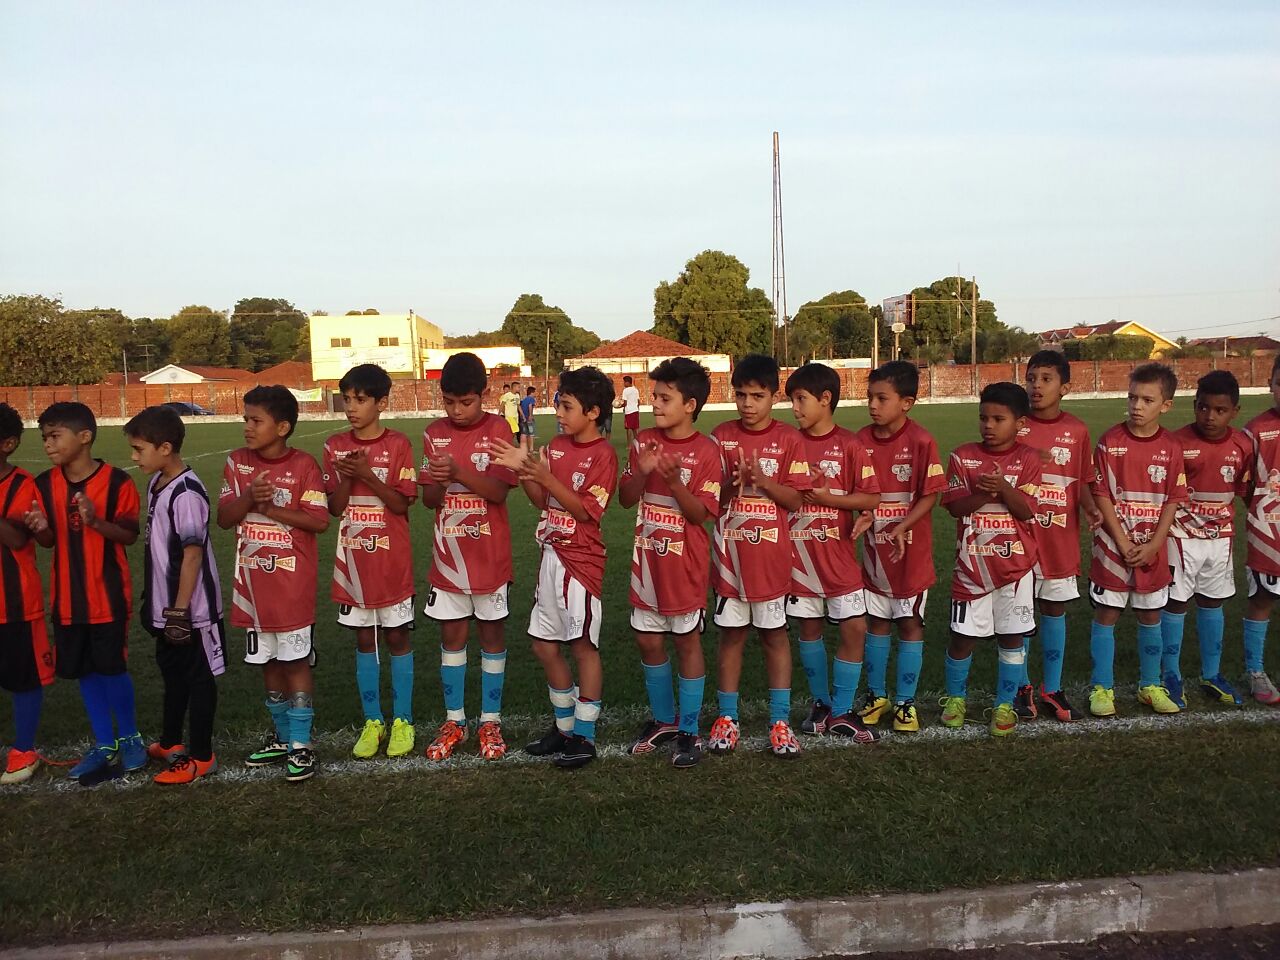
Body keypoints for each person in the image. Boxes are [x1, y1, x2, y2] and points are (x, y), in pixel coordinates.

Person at [495, 367, 618, 768]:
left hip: (580, 562)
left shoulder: (603, 455)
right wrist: (525, 470)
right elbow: (540, 500)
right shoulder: (556, 447)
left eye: (567, 406)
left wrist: (545, 476)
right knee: (543, 644)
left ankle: (585, 736)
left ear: (593, 412)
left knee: (582, 646)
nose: (559, 414)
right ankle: (565, 727)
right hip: (550, 557)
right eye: (558, 405)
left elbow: (585, 511)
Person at [218, 386, 329, 782]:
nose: (247, 427)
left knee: (294, 662)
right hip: (252, 589)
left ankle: (301, 744)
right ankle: (282, 737)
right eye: (245, 419)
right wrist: (249, 497)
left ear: (282, 427)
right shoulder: (237, 462)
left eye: (256, 420)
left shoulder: (304, 465)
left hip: (291, 586)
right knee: (266, 662)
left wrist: (272, 508)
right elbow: (225, 518)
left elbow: (319, 520)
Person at [26, 402, 142, 783]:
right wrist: (40, 527)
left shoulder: (118, 482)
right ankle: (105, 743)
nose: (47, 444)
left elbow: (128, 535)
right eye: (44, 438)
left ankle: (131, 738)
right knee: (84, 671)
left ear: (85, 437)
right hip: (67, 601)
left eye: (54, 436)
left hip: (107, 597)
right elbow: (47, 541)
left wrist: (95, 521)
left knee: (112, 668)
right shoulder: (44, 484)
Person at [619, 358, 721, 768]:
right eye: (654, 396)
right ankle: (665, 719)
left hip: (685, 566)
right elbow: (626, 498)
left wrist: (676, 482)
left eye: (664, 398)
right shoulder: (644, 440)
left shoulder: (707, 451)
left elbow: (700, 515)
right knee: (647, 640)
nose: (655, 404)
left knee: (686, 641)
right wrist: (642, 473)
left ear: (690, 405)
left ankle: (689, 728)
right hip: (647, 564)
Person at [709, 353, 812, 757]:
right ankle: (727, 717)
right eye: (741, 395)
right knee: (731, 636)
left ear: (773, 397)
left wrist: (763, 481)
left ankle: (780, 721)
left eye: (757, 396)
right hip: (729, 561)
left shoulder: (789, 439)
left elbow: (796, 501)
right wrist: (734, 484)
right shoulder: (721, 436)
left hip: (770, 560)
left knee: (774, 636)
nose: (747, 404)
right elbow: (712, 499)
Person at [419, 353, 519, 761]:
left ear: (484, 394)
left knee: (492, 637)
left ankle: (490, 720)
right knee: (452, 638)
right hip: (447, 560)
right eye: (449, 402)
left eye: (466, 402)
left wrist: (459, 472)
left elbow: (498, 492)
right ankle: (455, 720)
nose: (457, 411)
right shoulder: (433, 434)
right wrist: (440, 481)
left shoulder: (498, 429)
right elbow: (428, 499)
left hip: (489, 559)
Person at [125, 405, 226, 784]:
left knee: (199, 679)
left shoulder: (186, 493)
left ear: (165, 448)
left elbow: (192, 554)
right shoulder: (157, 482)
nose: (134, 457)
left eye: (139, 449)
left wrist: (180, 611)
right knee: (173, 675)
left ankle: (202, 756)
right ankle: (170, 743)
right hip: (164, 607)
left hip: (191, 612)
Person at [323, 364, 419, 760]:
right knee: (364, 640)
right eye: (347, 399)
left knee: (397, 637)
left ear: (381, 402)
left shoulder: (398, 445)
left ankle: (403, 720)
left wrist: (368, 474)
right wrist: (348, 477)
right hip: (353, 565)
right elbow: (334, 508)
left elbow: (401, 503)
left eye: (360, 399)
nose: (351, 407)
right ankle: (373, 721)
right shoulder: (334, 446)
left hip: (392, 562)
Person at [784, 363, 882, 742]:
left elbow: (871, 497)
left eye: (800, 399)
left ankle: (841, 710)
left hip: (839, 557)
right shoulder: (789, 444)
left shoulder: (850, 445)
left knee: (855, 627)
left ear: (825, 399)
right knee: (808, 629)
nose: (795, 408)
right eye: (792, 401)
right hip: (799, 559)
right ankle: (821, 703)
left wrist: (829, 498)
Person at [939, 382, 1043, 737]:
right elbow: (954, 507)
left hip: (1016, 570)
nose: (989, 425)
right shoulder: (962, 456)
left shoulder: (1029, 459)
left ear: (1020, 423)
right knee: (961, 638)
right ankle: (956, 699)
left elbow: (1027, 511)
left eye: (999, 419)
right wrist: (983, 493)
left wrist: (1003, 488)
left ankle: (1005, 703)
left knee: (1012, 639)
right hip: (971, 568)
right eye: (984, 418)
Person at [1087, 362, 1187, 718]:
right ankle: (1102, 687)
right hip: (1113, 547)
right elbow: (1101, 494)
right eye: (1132, 397)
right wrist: (1122, 542)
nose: (1137, 406)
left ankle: (1150, 685)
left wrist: (1155, 544)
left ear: (1166, 405)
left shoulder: (1171, 447)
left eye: (1147, 400)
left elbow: (1173, 499)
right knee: (1107, 612)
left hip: (1152, 547)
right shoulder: (1110, 442)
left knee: (1150, 614)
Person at [855, 361, 947, 732]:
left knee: (909, 622)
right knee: (877, 622)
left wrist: (903, 525)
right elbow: (858, 493)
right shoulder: (860, 441)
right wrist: (864, 513)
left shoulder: (921, 441)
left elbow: (930, 495)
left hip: (910, 553)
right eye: (869, 397)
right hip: (875, 553)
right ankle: (877, 696)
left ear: (907, 402)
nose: (872, 405)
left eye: (882, 398)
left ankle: (906, 702)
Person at [1016, 350, 1101, 723]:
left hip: (1059, 540)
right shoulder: (1015, 424)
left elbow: (1081, 480)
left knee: (1053, 609)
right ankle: (1020, 685)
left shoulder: (1077, 431)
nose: (1036, 386)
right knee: (1019, 613)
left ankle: (1051, 687)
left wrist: (1090, 507)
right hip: (1018, 538)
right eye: (1031, 378)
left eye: (1046, 379)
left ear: (1064, 387)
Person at [1160, 371, 1252, 709]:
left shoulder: (1242, 445)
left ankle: (1211, 673)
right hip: (1180, 536)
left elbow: (1243, 490)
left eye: (1219, 410)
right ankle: (1170, 673)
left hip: (1220, 539)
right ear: (1194, 406)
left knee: (1213, 602)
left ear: (1234, 412)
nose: (1210, 416)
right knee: (1175, 602)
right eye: (1203, 408)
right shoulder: (1176, 443)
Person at [0, 404, 52, 784]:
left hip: (14, 601)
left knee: (24, 677)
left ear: (8, 444)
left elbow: (19, 539)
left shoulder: (22, 485)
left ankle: (23, 749)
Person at [1242, 357, 1280, 705]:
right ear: (1270, 384)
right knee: (1262, 599)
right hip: (1268, 533)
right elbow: (1243, 484)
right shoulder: (1255, 431)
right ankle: (1255, 670)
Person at [621, 375, 642, 448]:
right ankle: (637, 444)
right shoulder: (636, 390)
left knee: (628, 429)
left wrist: (619, 406)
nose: (623, 383)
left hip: (629, 412)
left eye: (624, 382)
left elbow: (625, 403)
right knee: (635, 429)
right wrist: (636, 408)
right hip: (635, 411)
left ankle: (629, 445)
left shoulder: (625, 391)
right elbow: (639, 402)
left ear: (627, 382)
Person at [520, 386, 537, 453]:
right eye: (534, 392)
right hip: (528, 418)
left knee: (525, 433)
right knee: (531, 433)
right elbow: (530, 406)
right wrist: (530, 415)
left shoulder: (524, 399)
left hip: (523, 418)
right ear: (532, 393)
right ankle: (531, 449)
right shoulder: (531, 399)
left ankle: (526, 449)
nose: (535, 394)